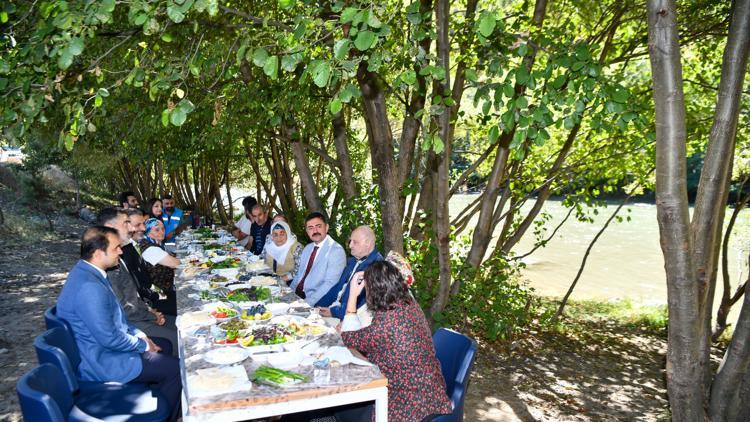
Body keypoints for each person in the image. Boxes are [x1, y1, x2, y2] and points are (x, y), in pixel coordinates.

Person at [56, 226, 182, 420]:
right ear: (98, 253)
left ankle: (161, 397)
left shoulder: (89, 272)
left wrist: (141, 335)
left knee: (165, 345)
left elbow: (118, 319)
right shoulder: (89, 287)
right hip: (102, 360)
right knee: (177, 369)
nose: (121, 251)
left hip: (105, 347)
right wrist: (142, 344)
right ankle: (161, 416)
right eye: (116, 248)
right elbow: (109, 338)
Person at [341, 261, 452, 421]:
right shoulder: (410, 304)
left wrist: (352, 295)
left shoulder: (384, 325)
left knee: (343, 408)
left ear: (374, 290)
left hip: (408, 404)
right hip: (432, 392)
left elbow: (347, 337)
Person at [99, 208, 178, 354]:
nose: (137, 228)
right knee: (180, 339)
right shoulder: (108, 262)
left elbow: (134, 293)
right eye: (127, 224)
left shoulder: (122, 252)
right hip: (132, 324)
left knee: (183, 324)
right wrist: (150, 314)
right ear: (111, 229)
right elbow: (124, 308)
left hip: (142, 311)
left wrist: (149, 311)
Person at [318, 225, 383, 319]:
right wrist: (317, 306)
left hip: (348, 318)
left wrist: (334, 312)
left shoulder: (377, 267)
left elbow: (363, 305)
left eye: (355, 242)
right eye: (350, 241)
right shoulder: (352, 261)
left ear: (368, 243)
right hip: (334, 309)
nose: (350, 245)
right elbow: (337, 288)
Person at [289, 212, 346, 307]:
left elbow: (329, 284)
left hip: (316, 302)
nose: (315, 231)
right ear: (307, 231)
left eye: (318, 226)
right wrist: (288, 293)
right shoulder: (308, 248)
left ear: (326, 227)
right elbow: (299, 275)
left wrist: (306, 304)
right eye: (310, 228)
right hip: (297, 296)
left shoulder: (336, 251)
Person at [139, 218, 180, 297]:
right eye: (157, 230)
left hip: (165, 285)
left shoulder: (154, 243)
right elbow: (176, 263)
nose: (162, 232)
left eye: (163, 229)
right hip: (162, 292)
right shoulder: (151, 249)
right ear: (148, 232)